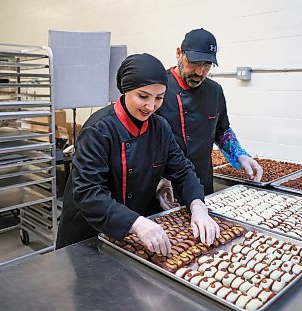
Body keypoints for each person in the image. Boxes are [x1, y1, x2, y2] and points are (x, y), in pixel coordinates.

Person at [56, 53, 220, 254]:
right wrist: (136, 223)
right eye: (143, 96)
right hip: (88, 235)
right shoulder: (98, 130)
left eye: (159, 98)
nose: (151, 107)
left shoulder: (160, 128)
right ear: (125, 91)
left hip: (134, 234)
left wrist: (197, 206)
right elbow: (88, 193)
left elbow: (183, 170)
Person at [155, 28, 263, 209]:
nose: (199, 71)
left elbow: (221, 131)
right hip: (164, 187)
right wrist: (156, 182)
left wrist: (240, 155)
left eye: (207, 65)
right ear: (178, 53)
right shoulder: (158, 88)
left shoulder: (215, 91)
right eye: (194, 63)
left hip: (202, 184)